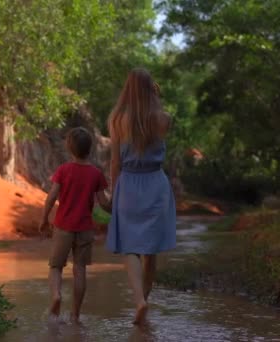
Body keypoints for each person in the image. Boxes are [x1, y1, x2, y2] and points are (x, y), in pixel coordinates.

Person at [106, 68, 176, 325]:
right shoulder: (163, 118)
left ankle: (139, 301)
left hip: (129, 184)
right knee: (151, 250)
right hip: (156, 183)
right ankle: (144, 300)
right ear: (151, 88)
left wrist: (114, 193)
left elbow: (115, 162)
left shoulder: (117, 119)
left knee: (130, 247)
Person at [40, 127, 110, 324]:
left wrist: (44, 218)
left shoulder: (63, 170)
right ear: (90, 149)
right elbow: (104, 202)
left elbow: (52, 196)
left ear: (69, 148)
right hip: (85, 228)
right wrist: (119, 213)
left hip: (62, 226)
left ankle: (56, 296)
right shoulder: (96, 174)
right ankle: (75, 314)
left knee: (55, 266)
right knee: (80, 269)